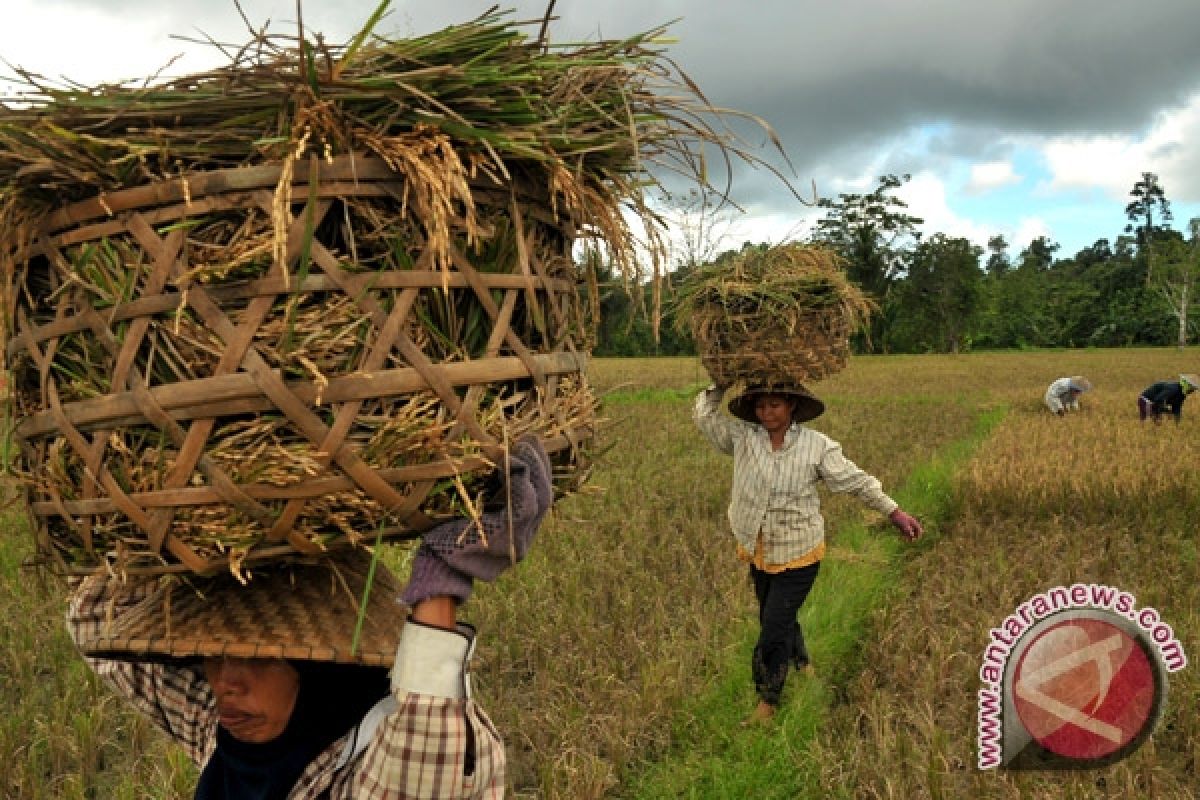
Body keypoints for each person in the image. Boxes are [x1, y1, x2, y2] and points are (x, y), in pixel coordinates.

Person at [67, 435, 553, 799]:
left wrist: (441, 581)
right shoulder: (221, 728)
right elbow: (96, 620)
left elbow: (426, 753)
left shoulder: (350, 768)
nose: (224, 683)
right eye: (211, 655)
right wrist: (142, 517)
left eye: (257, 657)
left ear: (317, 664)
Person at [693, 382, 923, 725]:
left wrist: (894, 512)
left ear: (791, 407)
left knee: (772, 628)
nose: (766, 413)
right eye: (760, 407)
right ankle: (802, 662)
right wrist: (719, 384)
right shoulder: (744, 438)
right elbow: (704, 417)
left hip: (799, 550)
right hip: (758, 546)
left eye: (774, 405)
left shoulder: (817, 447)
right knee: (779, 614)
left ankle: (768, 701)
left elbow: (856, 481)